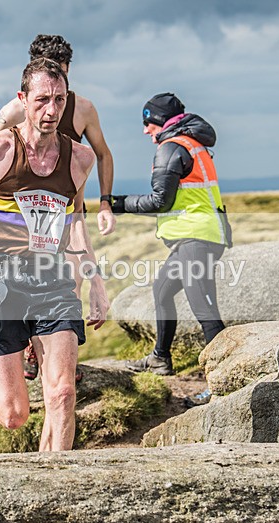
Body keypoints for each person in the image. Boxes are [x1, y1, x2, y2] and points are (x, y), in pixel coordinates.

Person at [0, 58, 109, 453]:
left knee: (62, 394)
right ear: (23, 100)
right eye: (41, 100)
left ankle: (55, 492)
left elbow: (75, 221)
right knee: (14, 413)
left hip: (51, 280)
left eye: (58, 100)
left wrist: (96, 282)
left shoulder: (79, 160)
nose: (51, 111)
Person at [0, 34, 116, 381]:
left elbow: (103, 154)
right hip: (22, 218)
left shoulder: (84, 108)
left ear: (68, 70)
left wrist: (105, 202)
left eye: (60, 73)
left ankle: (61, 361)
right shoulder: (13, 111)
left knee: (71, 281)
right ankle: (32, 349)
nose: (52, 106)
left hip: (66, 207)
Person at [110, 93, 230, 394]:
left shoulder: (171, 147)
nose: (145, 131)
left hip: (196, 238)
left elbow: (160, 201)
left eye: (147, 123)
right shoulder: (191, 143)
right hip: (197, 237)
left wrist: (117, 204)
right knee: (161, 290)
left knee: (205, 311)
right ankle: (160, 359)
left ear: (160, 121)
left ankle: (222, 383)